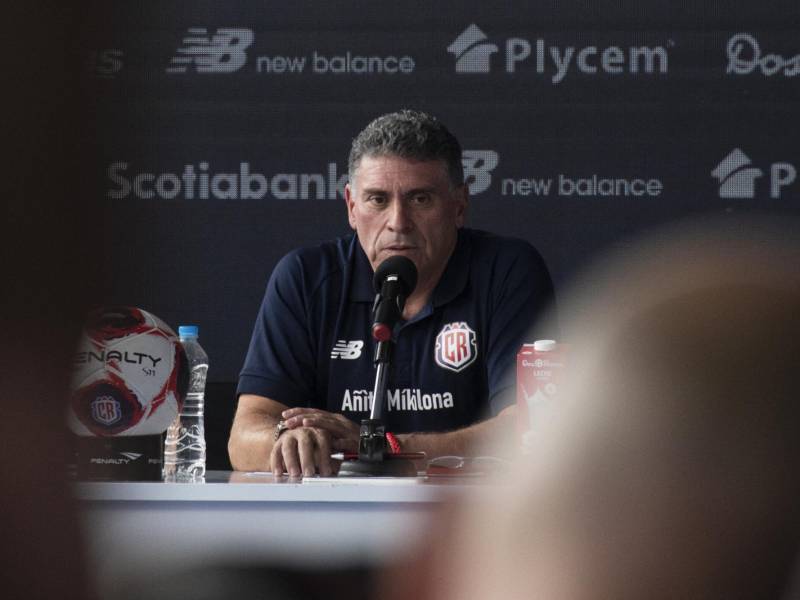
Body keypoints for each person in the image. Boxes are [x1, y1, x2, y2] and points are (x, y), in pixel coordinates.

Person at [228, 110, 556, 476]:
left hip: (470, 517)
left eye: (420, 199)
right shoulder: (306, 277)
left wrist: (387, 447)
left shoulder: (507, 271)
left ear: (459, 205)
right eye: (377, 200)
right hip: (335, 517)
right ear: (352, 207)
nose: (398, 222)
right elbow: (244, 436)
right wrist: (285, 441)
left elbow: (530, 430)